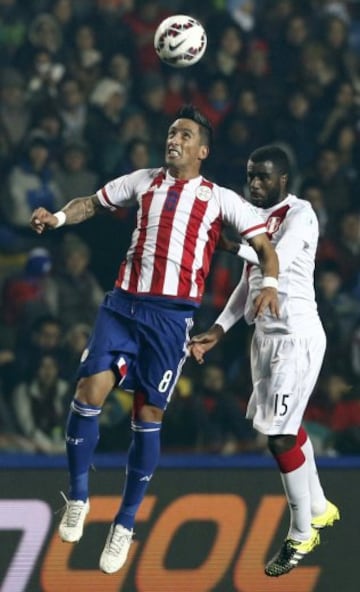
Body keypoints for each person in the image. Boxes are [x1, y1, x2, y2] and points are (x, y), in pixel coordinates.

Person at [29, 105, 279, 574]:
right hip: (122, 305)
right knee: (88, 392)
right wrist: (59, 220)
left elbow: (264, 247)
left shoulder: (220, 199)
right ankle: (79, 497)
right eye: (170, 132)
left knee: (148, 413)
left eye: (184, 134)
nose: (174, 139)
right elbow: (91, 202)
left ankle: (124, 523)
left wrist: (269, 285)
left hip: (170, 319)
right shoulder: (143, 180)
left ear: (202, 150)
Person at [189, 145, 340, 577]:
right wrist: (218, 331)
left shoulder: (301, 214)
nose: (254, 184)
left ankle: (300, 533)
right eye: (250, 175)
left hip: (296, 337)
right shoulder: (255, 219)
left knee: (278, 436)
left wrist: (228, 244)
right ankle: (317, 504)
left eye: (263, 177)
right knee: (287, 425)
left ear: (283, 180)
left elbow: (276, 259)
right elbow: (249, 283)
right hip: (265, 339)